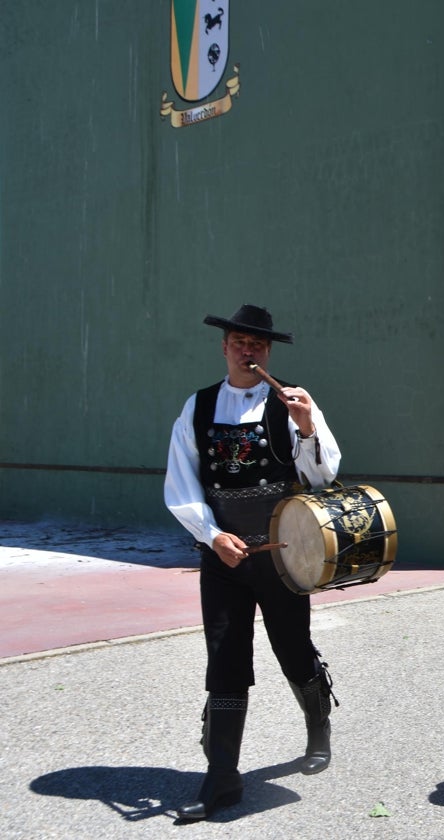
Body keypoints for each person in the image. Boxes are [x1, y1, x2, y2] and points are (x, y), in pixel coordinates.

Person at [164, 305, 342, 821]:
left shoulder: (293, 401)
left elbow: (321, 480)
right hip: (223, 555)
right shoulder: (196, 408)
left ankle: (318, 725)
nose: (249, 352)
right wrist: (212, 534)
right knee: (225, 657)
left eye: (258, 346)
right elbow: (182, 483)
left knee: (291, 647)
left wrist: (306, 427)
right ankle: (222, 777)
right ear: (224, 347)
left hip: (284, 556)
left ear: (268, 352)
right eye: (240, 342)